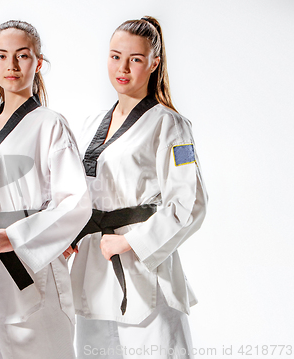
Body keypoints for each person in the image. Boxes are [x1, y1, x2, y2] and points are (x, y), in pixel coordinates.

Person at [69, 17, 208, 359]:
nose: (123, 68)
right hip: (93, 264)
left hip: (143, 266)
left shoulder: (171, 126)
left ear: (154, 63)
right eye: (116, 56)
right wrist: (68, 234)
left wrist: (130, 241)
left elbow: (190, 204)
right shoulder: (91, 124)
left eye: (135, 59)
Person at [0, 20, 91, 359]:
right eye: (2, 56)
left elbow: (74, 200)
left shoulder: (50, 124)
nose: (12, 65)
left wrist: (18, 236)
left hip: (30, 271)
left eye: (22, 56)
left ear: (38, 62)